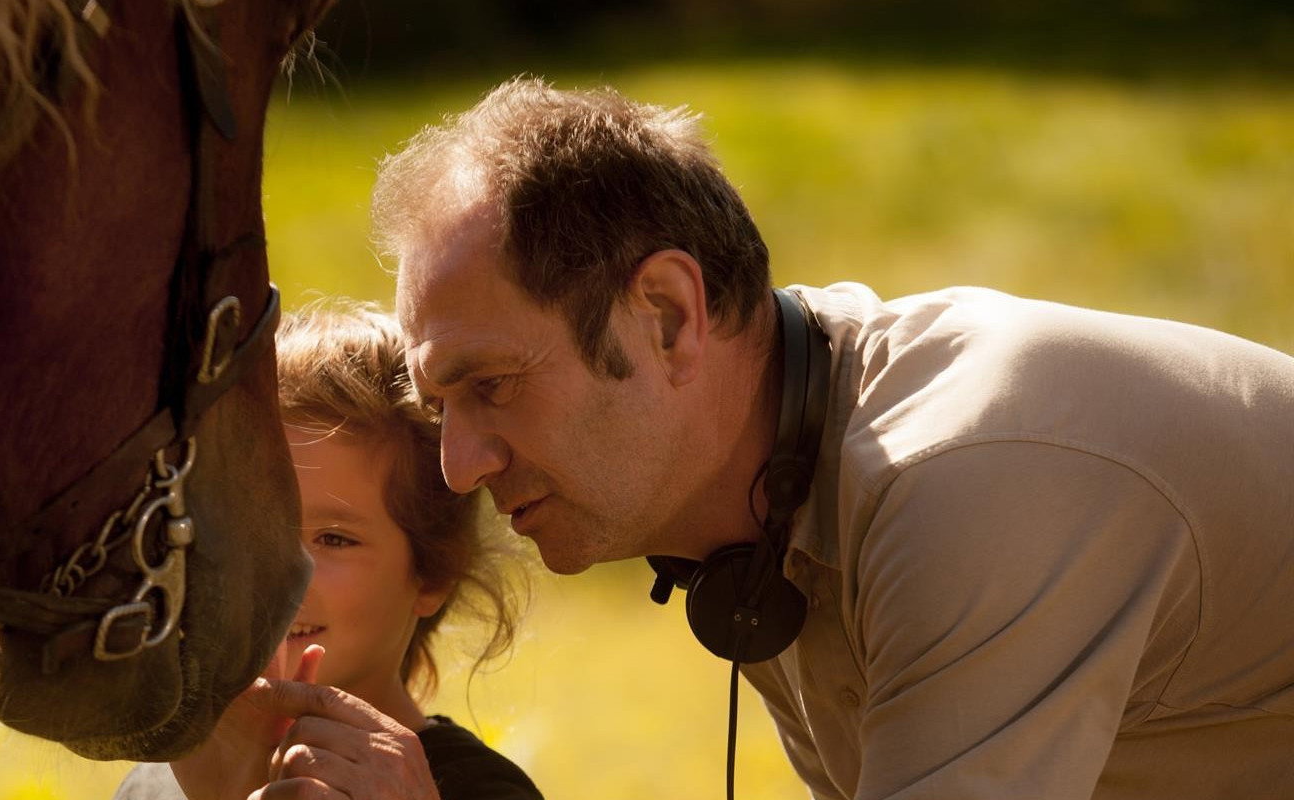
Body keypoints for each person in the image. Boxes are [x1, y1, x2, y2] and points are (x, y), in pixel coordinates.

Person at [245, 77, 1294, 799]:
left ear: (668, 315)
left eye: (492, 386)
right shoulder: (759, 497)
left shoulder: (968, 482)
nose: (459, 464)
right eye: (442, 406)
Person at [113, 306, 541, 800]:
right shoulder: (152, 784)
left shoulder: (472, 789)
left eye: (334, 539)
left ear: (434, 572)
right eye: (244, 528)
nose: (274, 573)